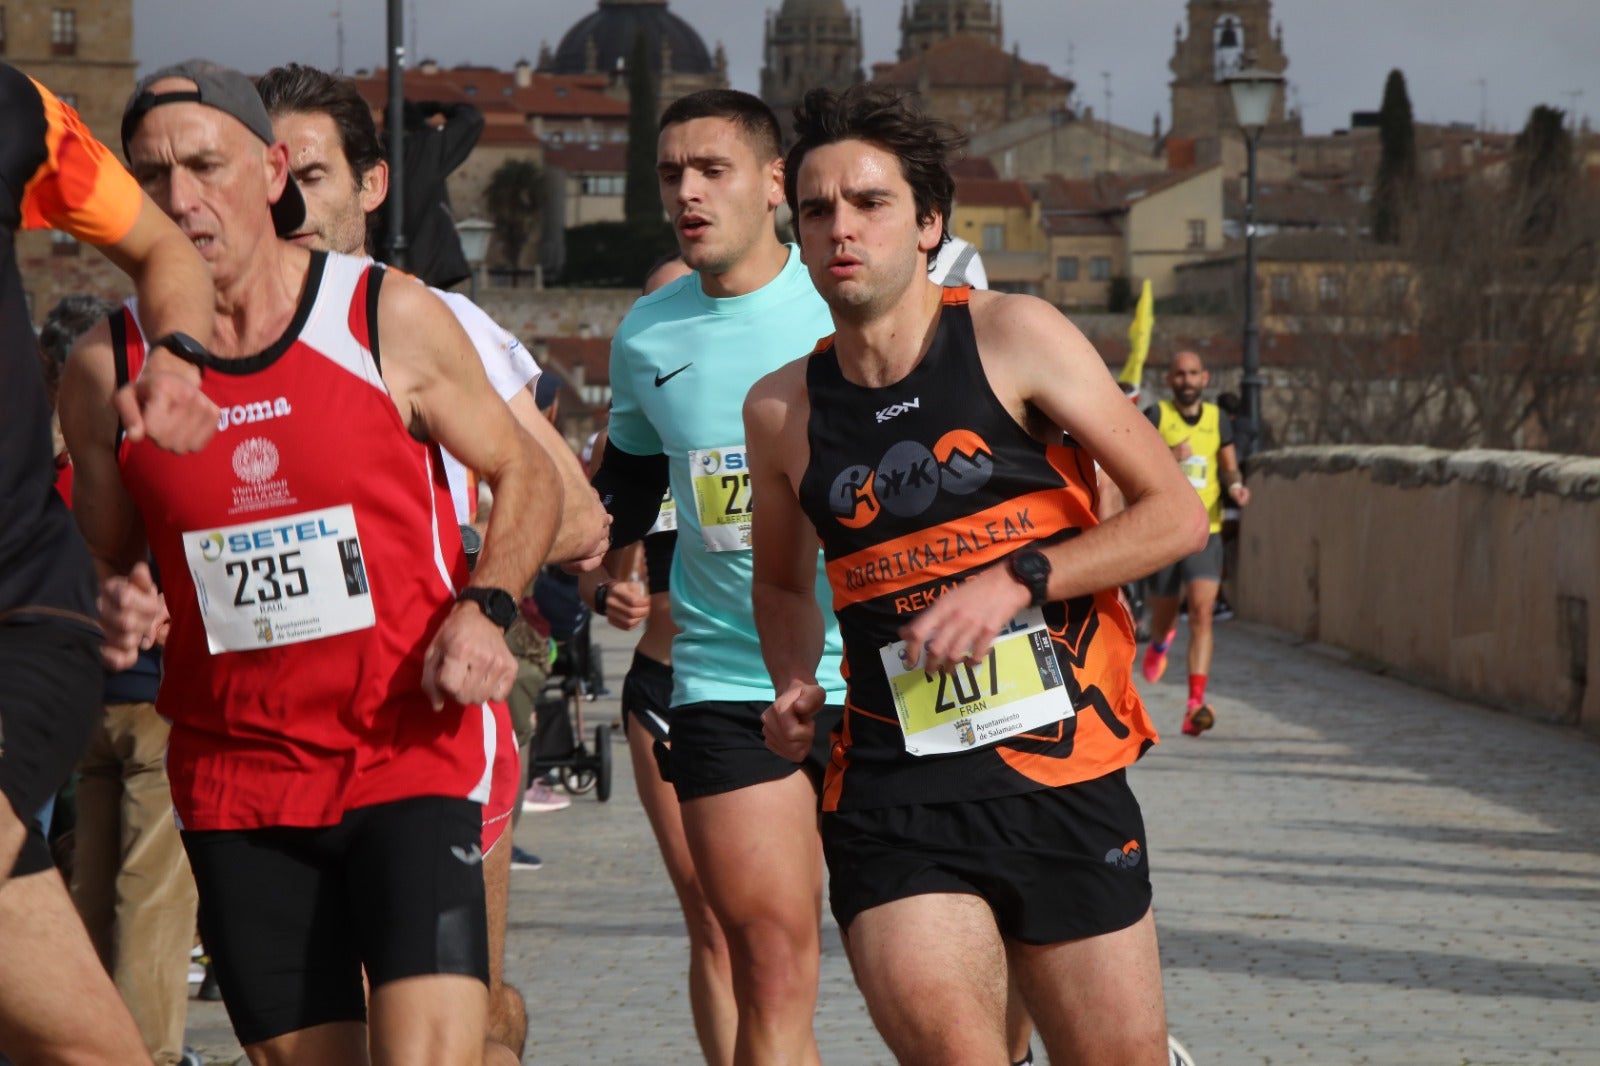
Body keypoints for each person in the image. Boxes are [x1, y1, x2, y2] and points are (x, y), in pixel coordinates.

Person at [59, 59, 563, 1066]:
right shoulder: (104, 368)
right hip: (237, 777)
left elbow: (529, 476)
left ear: (273, 168)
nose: (180, 200)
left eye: (205, 165)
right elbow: (109, 557)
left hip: (405, 751)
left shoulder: (384, 314)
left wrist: (485, 606)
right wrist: (112, 599)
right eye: (151, 178)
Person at [746, 85, 1207, 1065]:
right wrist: (793, 680)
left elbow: (1175, 514)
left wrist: (1020, 579)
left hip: (1063, 772)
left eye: (869, 202)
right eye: (818, 207)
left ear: (927, 224)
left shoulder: (1013, 336)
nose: (841, 227)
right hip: (891, 789)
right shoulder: (781, 410)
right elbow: (785, 586)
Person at [254, 62, 609, 1058]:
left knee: (438, 1011)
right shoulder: (203, 334)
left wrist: (468, 580)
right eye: (264, 172)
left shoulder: (430, 321)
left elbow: (577, 521)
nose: (284, 200)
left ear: (371, 186)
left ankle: (500, 1028)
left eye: (311, 175)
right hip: (268, 715)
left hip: (425, 701)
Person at [589, 88, 847, 1063]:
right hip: (726, 677)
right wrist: (572, 564)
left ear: (775, 183)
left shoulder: (844, 300)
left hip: (887, 672)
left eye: (712, 171)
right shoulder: (649, 332)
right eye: (670, 176)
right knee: (766, 963)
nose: (687, 194)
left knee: (940, 954)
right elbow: (630, 482)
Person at [0, 61, 221, 1066]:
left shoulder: (16, 112)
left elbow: (164, 250)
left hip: (16, 613)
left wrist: (172, 359)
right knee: (92, 1048)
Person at [1141, 350, 1252, 736]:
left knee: (1203, 613)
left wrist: (1236, 486)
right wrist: (1168, 455)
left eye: (1193, 374)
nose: (1187, 380)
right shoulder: (1156, 417)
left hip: (1207, 530)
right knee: (1164, 615)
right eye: (1179, 374)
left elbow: (1228, 464)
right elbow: (1134, 462)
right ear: (1169, 380)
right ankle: (1158, 643)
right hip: (1164, 532)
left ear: (1205, 378)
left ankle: (1194, 705)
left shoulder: (1218, 420)